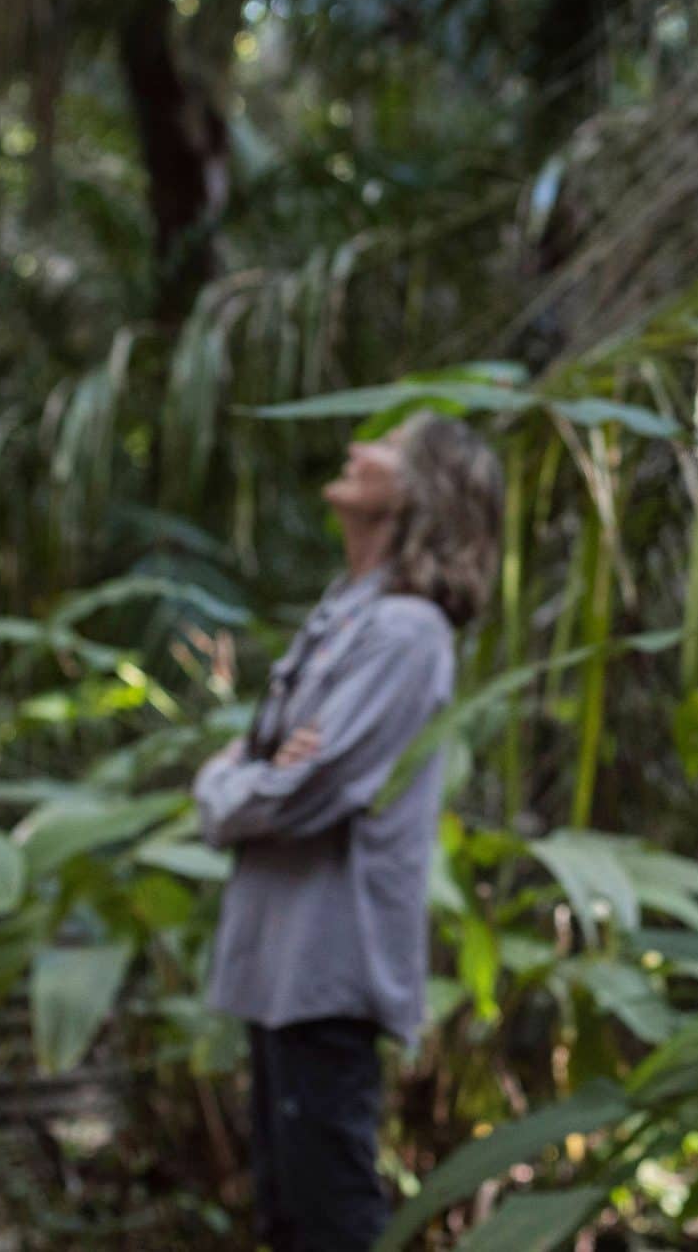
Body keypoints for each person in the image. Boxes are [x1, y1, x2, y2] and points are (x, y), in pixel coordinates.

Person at [194, 412, 504, 1252]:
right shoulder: (349, 610)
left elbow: (301, 789)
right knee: (289, 1215)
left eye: (390, 447)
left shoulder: (406, 632)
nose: (358, 449)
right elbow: (269, 764)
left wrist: (226, 784)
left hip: (328, 967)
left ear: (419, 492)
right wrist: (246, 772)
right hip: (281, 963)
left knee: (330, 1219)